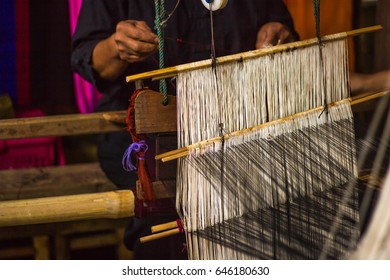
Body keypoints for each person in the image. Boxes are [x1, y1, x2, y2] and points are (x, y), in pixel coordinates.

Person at [71, 0, 298, 259]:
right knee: (168, 214)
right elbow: (89, 59)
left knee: (278, 203)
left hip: (239, 129)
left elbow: (283, 30)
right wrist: (116, 47)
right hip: (150, 143)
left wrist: (278, 34)